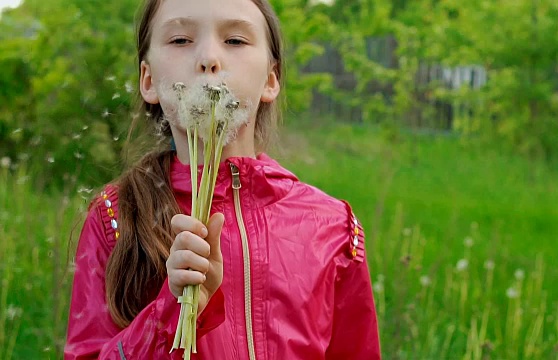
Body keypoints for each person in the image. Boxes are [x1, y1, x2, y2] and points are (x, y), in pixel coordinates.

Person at [64, 0, 380, 359]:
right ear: (148, 80)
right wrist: (173, 309)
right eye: (181, 40)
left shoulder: (332, 228)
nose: (209, 58)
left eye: (235, 41)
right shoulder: (115, 217)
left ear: (271, 79)